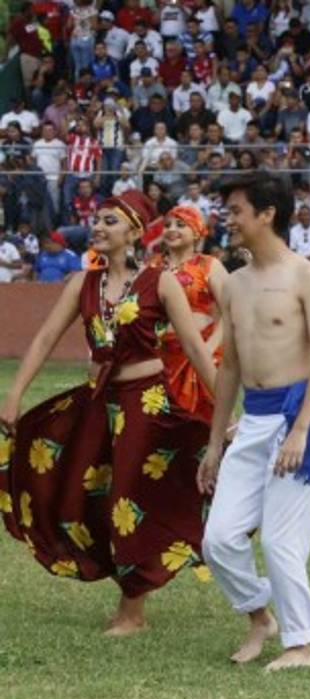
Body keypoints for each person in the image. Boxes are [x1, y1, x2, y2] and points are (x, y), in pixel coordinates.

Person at [0, 190, 218, 636]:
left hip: (148, 403)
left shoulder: (160, 282)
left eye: (109, 221)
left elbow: (196, 350)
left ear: (134, 233)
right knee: (88, 494)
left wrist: (225, 410)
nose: (97, 227)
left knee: (127, 499)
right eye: (96, 220)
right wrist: (14, 395)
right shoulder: (82, 283)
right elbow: (44, 339)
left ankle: (132, 611)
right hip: (98, 402)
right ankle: (127, 595)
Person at [197, 171, 310, 672]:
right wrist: (215, 443)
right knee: (218, 539)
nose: (228, 220)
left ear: (267, 214)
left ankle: (301, 644)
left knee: (280, 540)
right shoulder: (234, 283)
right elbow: (229, 367)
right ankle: (260, 617)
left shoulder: (307, 276)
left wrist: (299, 429)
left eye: (236, 211)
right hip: (253, 422)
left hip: (300, 417)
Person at [148, 205, 227, 421]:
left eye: (180, 225)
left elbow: (231, 312)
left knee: (204, 421)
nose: (172, 229)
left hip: (203, 353)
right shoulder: (153, 266)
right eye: (167, 225)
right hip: (163, 356)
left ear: (196, 232)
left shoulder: (209, 265)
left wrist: (209, 348)